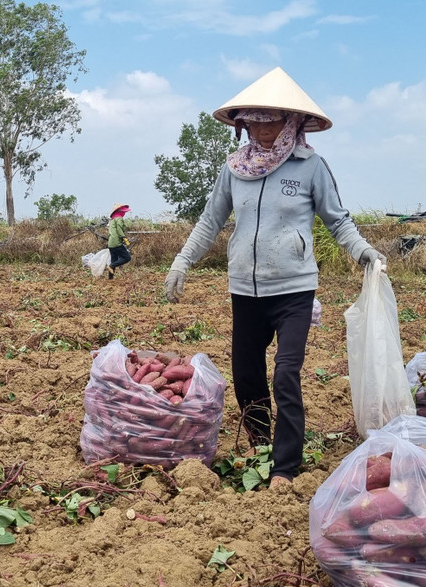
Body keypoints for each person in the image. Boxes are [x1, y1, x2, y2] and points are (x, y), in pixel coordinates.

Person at [163, 67, 386, 489]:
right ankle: (263, 443)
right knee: (246, 375)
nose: (263, 131)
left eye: (272, 121)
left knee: (285, 373)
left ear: (293, 122)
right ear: (243, 124)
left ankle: (285, 467)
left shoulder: (310, 166)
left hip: (294, 290)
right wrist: (182, 260)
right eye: (255, 122)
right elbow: (210, 221)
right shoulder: (234, 170)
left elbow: (338, 221)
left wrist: (363, 252)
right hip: (245, 291)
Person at [107, 203, 132, 279]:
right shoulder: (119, 219)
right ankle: (111, 266)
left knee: (114, 260)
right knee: (127, 257)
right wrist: (124, 238)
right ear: (119, 211)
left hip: (111, 243)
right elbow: (119, 230)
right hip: (116, 242)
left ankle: (110, 278)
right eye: (123, 211)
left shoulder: (112, 220)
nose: (124, 213)